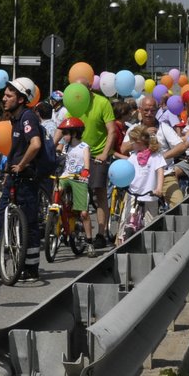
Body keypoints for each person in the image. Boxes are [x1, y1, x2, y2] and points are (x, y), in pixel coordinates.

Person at [0, 76, 47, 282]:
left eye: (9, 96)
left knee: (29, 223)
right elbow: (15, 150)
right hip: (14, 177)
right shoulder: (15, 119)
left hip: (26, 178)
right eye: (5, 95)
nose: (4, 99)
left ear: (22, 99)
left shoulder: (27, 118)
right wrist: (9, 169)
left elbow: (35, 144)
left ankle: (31, 268)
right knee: (0, 218)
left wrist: (22, 164)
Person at [75, 70, 117, 250]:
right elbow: (64, 128)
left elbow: (112, 130)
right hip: (79, 154)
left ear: (90, 88)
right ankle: (78, 229)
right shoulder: (74, 103)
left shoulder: (102, 103)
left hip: (97, 154)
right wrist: (54, 145)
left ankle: (101, 233)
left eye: (82, 89)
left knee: (100, 193)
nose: (78, 92)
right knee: (74, 191)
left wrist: (105, 153)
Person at [123, 125, 165, 235]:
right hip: (134, 192)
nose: (132, 144)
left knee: (150, 221)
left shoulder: (155, 156)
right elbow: (127, 171)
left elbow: (160, 172)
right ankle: (121, 240)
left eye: (133, 142)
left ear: (140, 141)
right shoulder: (133, 156)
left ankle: (150, 243)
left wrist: (159, 188)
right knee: (127, 217)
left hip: (150, 193)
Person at [56, 117, 89, 244]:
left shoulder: (84, 147)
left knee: (84, 213)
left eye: (65, 133)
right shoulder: (65, 146)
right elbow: (57, 153)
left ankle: (89, 241)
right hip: (66, 176)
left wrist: (85, 172)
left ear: (74, 133)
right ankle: (57, 216)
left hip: (78, 178)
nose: (63, 136)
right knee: (56, 191)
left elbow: (86, 165)